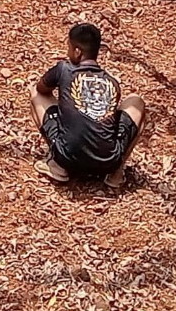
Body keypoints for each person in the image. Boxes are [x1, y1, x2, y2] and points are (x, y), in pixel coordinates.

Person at [31, 23, 147, 189]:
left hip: (68, 156)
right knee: (136, 101)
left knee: (35, 94)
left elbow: (41, 89)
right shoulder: (112, 82)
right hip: (107, 162)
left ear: (77, 52)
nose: (68, 52)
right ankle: (115, 174)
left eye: (69, 47)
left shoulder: (64, 69)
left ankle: (57, 166)